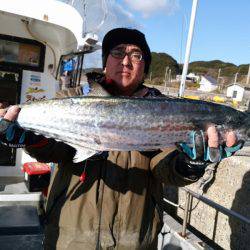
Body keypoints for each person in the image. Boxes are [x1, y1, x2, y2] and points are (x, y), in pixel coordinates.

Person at [0, 28, 243, 250]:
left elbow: (165, 166)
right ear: (106, 61)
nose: (126, 61)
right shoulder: (70, 98)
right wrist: (28, 138)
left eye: (136, 55)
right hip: (70, 236)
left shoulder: (163, 108)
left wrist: (188, 165)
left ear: (144, 67)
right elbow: (58, 150)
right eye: (118, 52)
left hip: (134, 239)